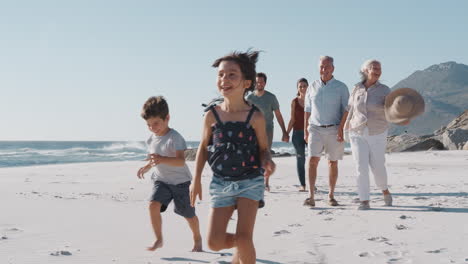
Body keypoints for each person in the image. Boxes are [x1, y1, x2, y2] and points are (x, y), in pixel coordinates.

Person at [190, 50, 275, 264]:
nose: (224, 79)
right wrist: (196, 179)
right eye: (220, 75)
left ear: (247, 83)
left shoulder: (254, 116)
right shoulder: (212, 115)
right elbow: (202, 147)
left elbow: (264, 149)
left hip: (250, 182)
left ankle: (243, 250)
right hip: (221, 183)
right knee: (215, 242)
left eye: (231, 75)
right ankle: (239, 254)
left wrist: (268, 161)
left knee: (245, 238)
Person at [344, 60, 424, 210]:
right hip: (356, 131)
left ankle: (384, 190)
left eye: (379, 68)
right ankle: (364, 200)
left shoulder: (385, 90)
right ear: (365, 70)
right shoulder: (356, 88)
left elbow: (392, 110)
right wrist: (343, 129)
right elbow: (350, 110)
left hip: (378, 131)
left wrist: (402, 118)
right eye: (374, 68)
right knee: (360, 166)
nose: (378, 71)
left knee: (378, 166)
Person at [137, 96, 202, 251]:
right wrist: (147, 167)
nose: (152, 128)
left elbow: (180, 161)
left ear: (167, 118)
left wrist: (161, 159)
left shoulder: (175, 138)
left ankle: (197, 238)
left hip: (181, 183)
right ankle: (159, 239)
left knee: (188, 214)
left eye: (156, 123)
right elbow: (155, 159)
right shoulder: (151, 139)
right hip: (161, 181)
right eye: (148, 125)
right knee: (153, 205)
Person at [304, 56, 349, 207]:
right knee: (312, 160)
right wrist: (305, 130)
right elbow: (307, 110)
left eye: (327, 66)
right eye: (322, 66)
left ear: (333, 68)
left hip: (334, 129)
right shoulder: (312, 86)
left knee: (332, 162)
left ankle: (331, 195)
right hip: (315, 128)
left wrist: (341, 129)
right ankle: (311, 196)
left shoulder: (341, 87)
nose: (324, 69)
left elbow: (346, 110)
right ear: (319, 68)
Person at [246, 72, 288, 191]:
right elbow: (246, 115)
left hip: (268, 129)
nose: (259, 84)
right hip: (253, 130)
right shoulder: (250, 98)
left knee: (266, 154)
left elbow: (278, 115)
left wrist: (284, 132)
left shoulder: (271, 97)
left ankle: (266, 182)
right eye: (257, 82)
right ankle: (255, 179)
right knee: (253, 154)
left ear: (265, 83)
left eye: (262, 82)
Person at [286, 78, 308, 192]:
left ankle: (312, 183)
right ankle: (303, 184)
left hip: (310, 133)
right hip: (297, 134)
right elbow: (292, 119)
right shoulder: (294, 102)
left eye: (305, 86)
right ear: (297, 88)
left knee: (313, 159)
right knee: (300, 159)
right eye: (300, 86)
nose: (303, 88)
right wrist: (286, 133)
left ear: (308, 87)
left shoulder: (312, 100)